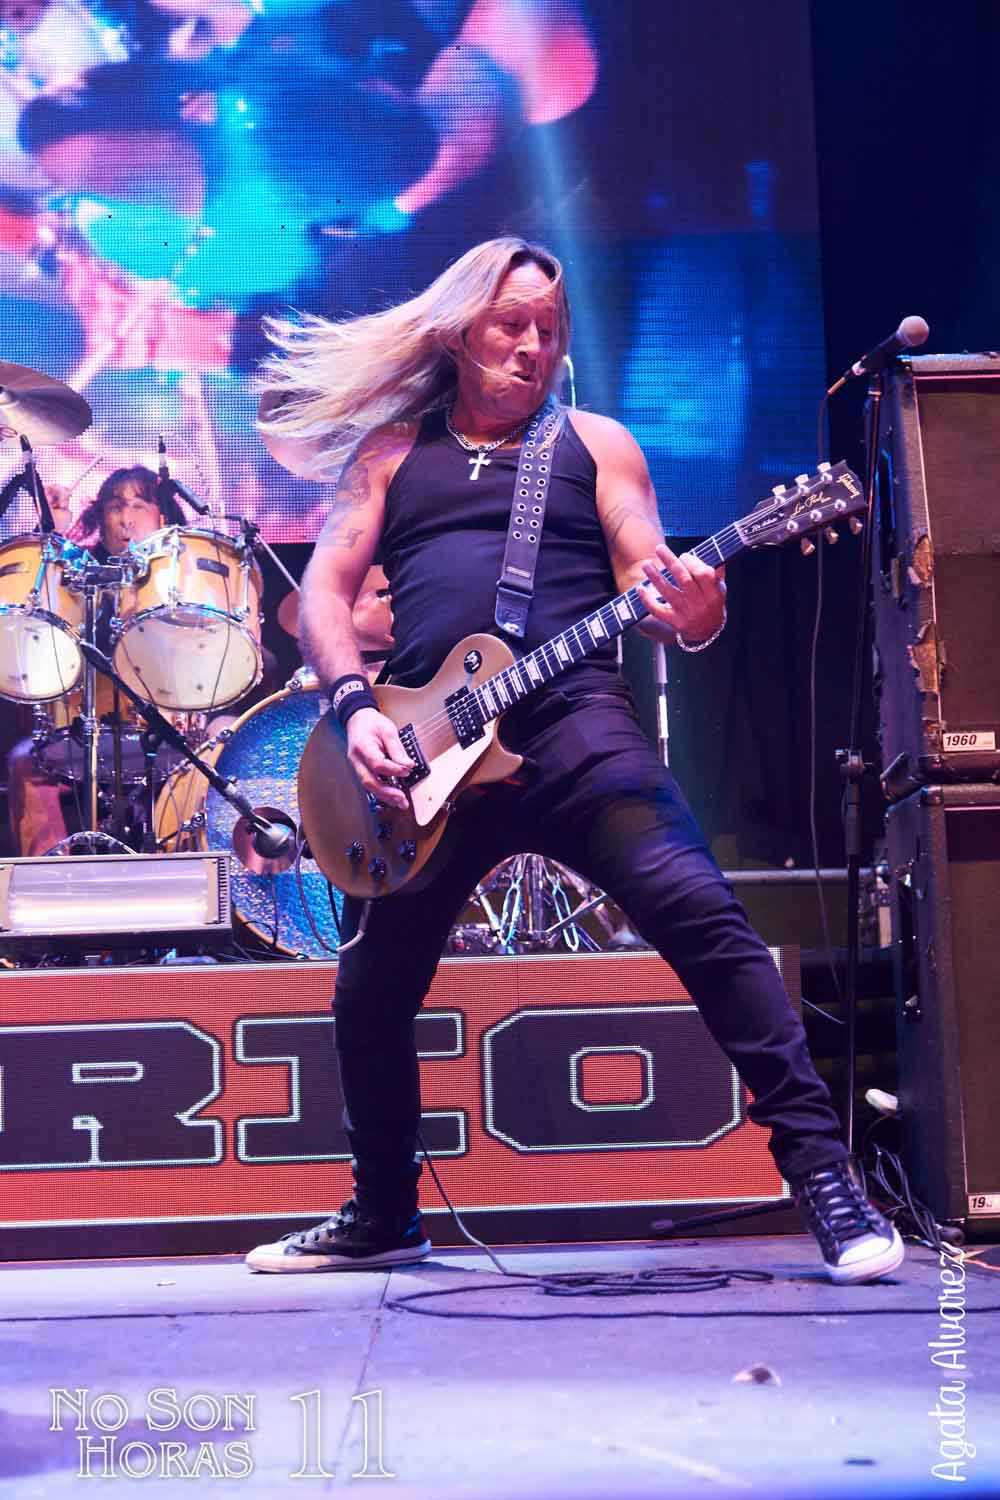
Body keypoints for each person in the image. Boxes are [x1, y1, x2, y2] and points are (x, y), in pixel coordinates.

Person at [246, 236, 904, 1286]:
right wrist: (354, 705)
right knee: (369, 990)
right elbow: (324, 591)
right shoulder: (390, 454)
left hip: (575, 728)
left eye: (549, 330)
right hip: (423, 755)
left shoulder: (595, 444)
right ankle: (383, 1216)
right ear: (461, 331)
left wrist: (694, 610)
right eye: (512, 325)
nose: (533, 346)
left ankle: (826, 1181)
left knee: (706, 923)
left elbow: (658, 579)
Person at [5, 465, 180, 855]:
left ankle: (192, 874)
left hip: (169, 733)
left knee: (222, 751)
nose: (126, 518)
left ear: (162, 518)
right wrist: (52, 530)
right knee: (23, 762)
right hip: (84, 733)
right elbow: (36, 627)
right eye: (115, 506)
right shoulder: (78, 578)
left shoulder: (182, 583)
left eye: (139, 505)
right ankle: (50, 883)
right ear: (101, 518)